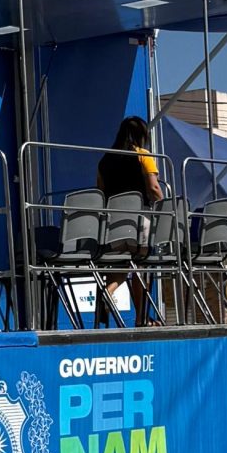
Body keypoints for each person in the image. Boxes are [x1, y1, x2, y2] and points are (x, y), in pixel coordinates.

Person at [95, 115, 164, 324]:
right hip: (138, 221)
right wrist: (165, 207)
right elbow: (153, 188)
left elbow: (100, 192)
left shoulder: (104, 159)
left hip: (113, 225)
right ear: (141, 136)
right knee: (140, 266)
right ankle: (141, 318)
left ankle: (107, 292)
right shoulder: (143, 155)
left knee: (121, 265)